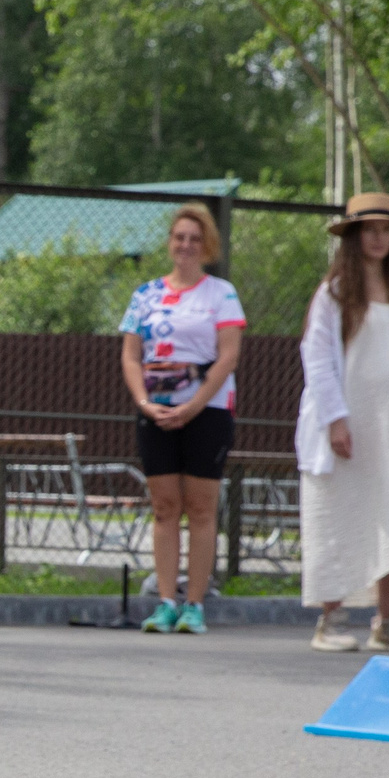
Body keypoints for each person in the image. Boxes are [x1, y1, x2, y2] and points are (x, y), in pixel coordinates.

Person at [297, 193, 389, 654]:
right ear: (355, 236)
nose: (378, 237)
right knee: (341, 511)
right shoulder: (335, 291)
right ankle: (331, 619)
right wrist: (335, 418)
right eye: (370, 229)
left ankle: (388, 620)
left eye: (386, 229)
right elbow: (317, 357)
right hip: (354, 424)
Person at [118, 202, 246, 634]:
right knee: (164, 507)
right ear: (170, 243)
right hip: (156, 411)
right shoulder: (145, 294)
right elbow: (131, 355)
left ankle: (195, 603)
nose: (186, 245)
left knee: (202, 509)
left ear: (205, 245)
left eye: (195, 239)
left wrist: (193, 405)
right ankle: (166, 601)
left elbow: (228, 356)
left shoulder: (221, 293)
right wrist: (143, 402)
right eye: (179, 238)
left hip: (206, 412)